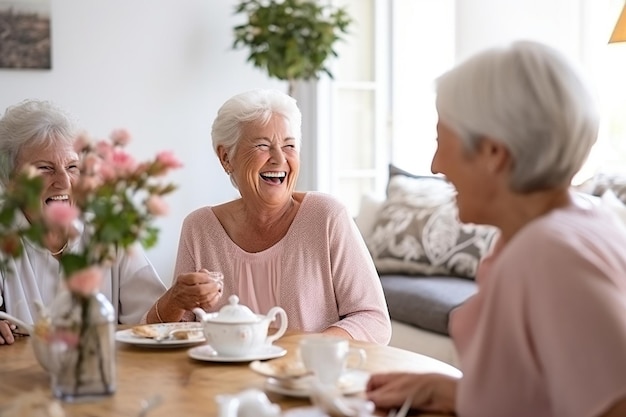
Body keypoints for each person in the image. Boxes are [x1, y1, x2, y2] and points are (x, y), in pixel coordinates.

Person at [365, 41, 626, 416]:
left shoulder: (549, 253)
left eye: (441, 141)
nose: (436, 165)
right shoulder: (581, 222)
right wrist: (456, 392)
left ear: (493, 153)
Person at [155, 88, 391, 344]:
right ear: (226, 158)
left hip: (303, 380)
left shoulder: (326, 217)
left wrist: (304, 352)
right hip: (223, 382)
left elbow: (373, 320)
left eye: (289, 146)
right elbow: (169, 338)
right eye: (262, 146)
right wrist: (174, 299)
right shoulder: (200, 228)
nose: (279, 159)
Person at [0, 99, 221, 345]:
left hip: (107, 377)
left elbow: (151, 327)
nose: (64, 182)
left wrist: (176, 300)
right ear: (10, 180)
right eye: (44, 168)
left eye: (73, 167)